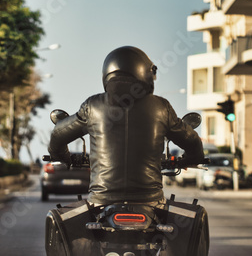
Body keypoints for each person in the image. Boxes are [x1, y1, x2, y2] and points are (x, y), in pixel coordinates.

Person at [48, 46, 205, 206]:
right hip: (150, 200)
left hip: (101, 201)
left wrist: (63, 156)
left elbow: (58, 134)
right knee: (191, 216)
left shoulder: (93, 106)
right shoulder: (161, 107)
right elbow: (192, 140)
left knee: (64, 219)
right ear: (145, 72)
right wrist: (190, 159)